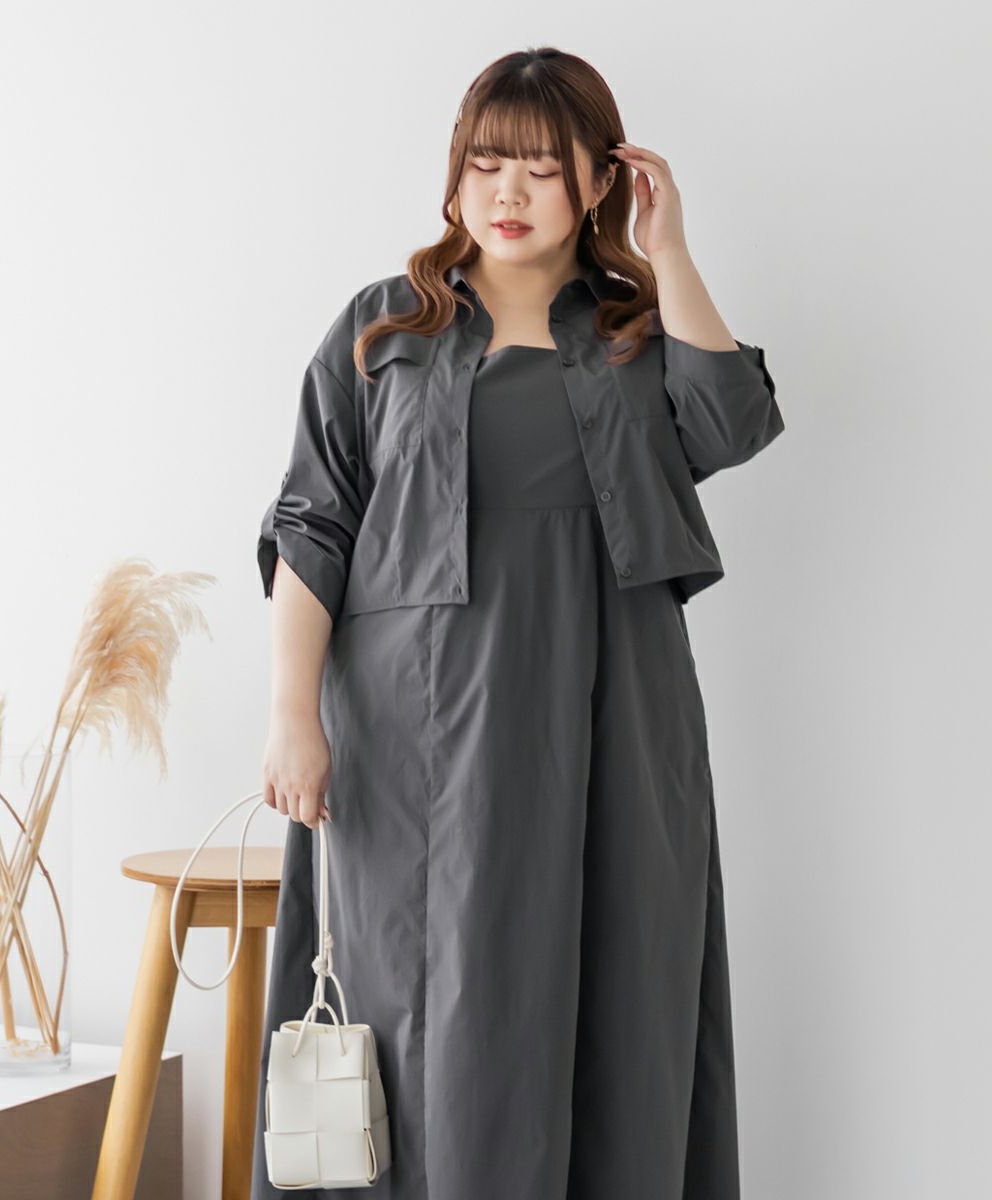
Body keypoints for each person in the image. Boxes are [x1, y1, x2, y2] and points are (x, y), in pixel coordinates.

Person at [252, 45, 784, 1200]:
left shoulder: (637, 330)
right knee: (423, 1005)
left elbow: (731, 423)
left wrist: (669, 251)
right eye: (485, 164)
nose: (507, 193)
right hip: (413, 732)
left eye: (541, 170)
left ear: (598, 183)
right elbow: (311, 526)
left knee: (621, 996)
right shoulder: (383, 330)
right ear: (454, 176)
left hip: (614, 716)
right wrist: (293, 714)